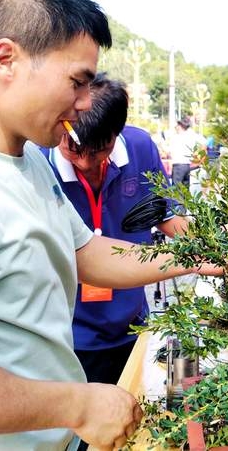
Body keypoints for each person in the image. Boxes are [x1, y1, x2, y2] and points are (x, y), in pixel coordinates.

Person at [0, 0, 217, 450]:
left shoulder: (25, 156)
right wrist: (77, 405)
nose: (82, 104)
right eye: (77, 81)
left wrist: (199, 255)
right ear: (6, 59)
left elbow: (86, 252)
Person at [42, 74, 187, 391]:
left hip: (132, 322)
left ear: (117, 133)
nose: (84, 163)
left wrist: (215, 247)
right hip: (68, 333)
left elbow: (163, 213)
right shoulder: (39, 161)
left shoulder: (139, 147)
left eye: (98, 151)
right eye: (73, 150)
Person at [169, 115, 207, 189]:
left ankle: (177, 201)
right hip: (187, 165)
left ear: (180, 126)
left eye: (177, 125)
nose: (176, 127)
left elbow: (169, 152)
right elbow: (204, 143)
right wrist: (201, 158)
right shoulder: (192, 135)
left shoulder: (176, 137)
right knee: (185, 188)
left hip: (178, 165)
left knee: (176, 189)